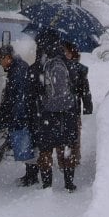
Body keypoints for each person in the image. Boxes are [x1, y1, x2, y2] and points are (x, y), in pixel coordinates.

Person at [30, 29, 81, 191]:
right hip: (67, 113)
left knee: (45, 150)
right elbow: (76, 84)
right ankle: (69, 183)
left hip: (46, 114)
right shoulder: (68, 63)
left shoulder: (40, 65)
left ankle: (47, 184)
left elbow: (33, 89)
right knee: (67, 147)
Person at [0, 44, 37, 185]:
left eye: (0, 60)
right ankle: (30, 175)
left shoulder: (17, 71)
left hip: (22, 116)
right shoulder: (18, 68)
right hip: (24, 114)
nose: (0, 63)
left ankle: (31, 177)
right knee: (26, 146)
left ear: (8, 57)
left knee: (26, 146)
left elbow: (19, 98)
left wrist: (17, 118)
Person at [62, 41, 92, 182]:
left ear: (73, 53)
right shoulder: (60, 67)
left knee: (73, 134)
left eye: (67, 51)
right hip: (65, 107)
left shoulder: (78, 69)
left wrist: (87, 107)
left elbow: (85, 90)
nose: (65, 54)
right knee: (66, 134)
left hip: (73, 108)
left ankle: (73, 158)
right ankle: (67, 159)